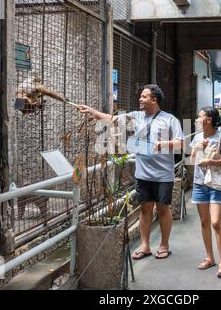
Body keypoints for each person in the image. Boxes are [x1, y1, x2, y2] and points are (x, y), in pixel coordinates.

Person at [76, 85, 184, 260]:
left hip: (163, 174)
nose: (140, 99)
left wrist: (162, 145)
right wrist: (92, 111)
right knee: (145, 208)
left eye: (144, 97)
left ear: (154, 100)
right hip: (143, 174)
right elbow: (112, 119)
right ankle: (145, 246)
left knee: (163, 209)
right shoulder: (136, 116)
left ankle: (164, 245)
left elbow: (180, 143)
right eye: (140, 97)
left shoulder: (169, 120)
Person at [190, 107, 221, 279]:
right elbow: (192, 160)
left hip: (216, 183)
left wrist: (210, 160)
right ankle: (210, 257)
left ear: (208, 120)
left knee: (216, 222)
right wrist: (196, 148)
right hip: (199, 184)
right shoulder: (197, 137)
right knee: (204, 221)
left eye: (199, 117)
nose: (197, 119)